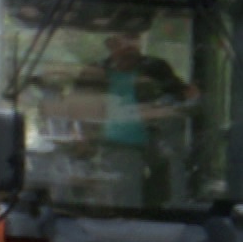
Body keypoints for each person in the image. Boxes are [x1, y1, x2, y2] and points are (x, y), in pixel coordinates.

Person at [84, 33, 199, 205]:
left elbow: (179, 96)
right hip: (116, 147)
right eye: (120, 42)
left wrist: (182, 101)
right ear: (110, 46)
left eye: (132, 39)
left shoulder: (156, 68)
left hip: (159, 144)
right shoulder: (95, 73)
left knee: (171, 187)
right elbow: (79, 109)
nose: (127, 46)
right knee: (123, 195)